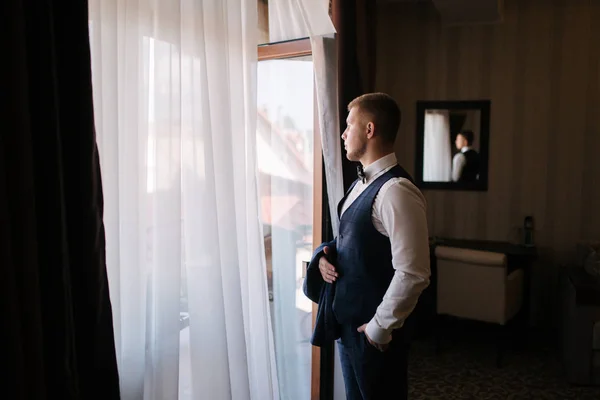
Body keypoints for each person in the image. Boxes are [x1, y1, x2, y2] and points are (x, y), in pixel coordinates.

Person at [303, 93, 430, 399]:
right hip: (348, 328)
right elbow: (352, 240)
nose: (344, 133)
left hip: (374, 335)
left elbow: (413, 272)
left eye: (349, 125)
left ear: (370, 130)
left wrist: (379, 327)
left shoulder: (396, 191)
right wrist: (324, 255)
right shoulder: (360, 184)